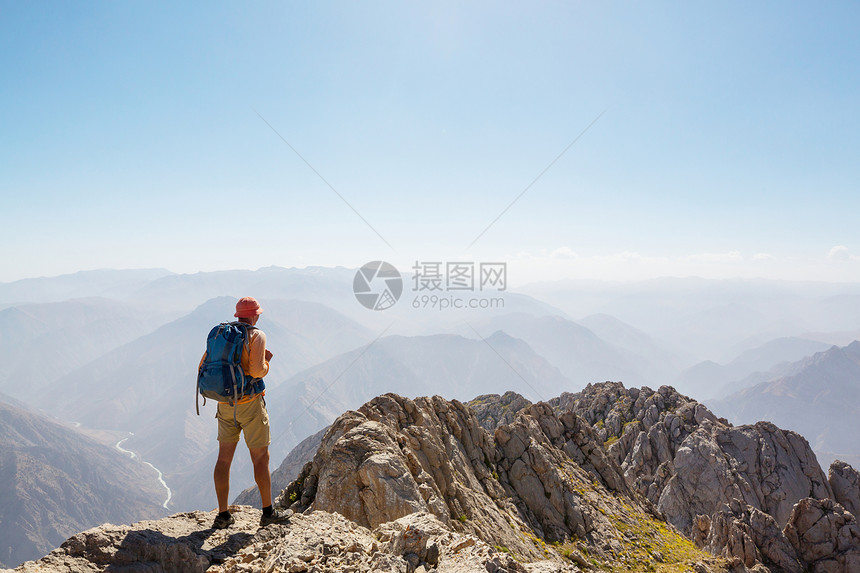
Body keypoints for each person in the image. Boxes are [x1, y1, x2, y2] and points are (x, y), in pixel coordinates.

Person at [199, 296, 291, 529]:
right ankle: (268, 512)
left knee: (223, 459)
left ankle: (223, 515)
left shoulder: (222, 335)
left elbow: (202, 365)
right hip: (249, 403)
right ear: (254, 315)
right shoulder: (256, 335)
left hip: (225, 404)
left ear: (238, 315)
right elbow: (257, 371)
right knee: (260, 458)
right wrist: (267, 362)